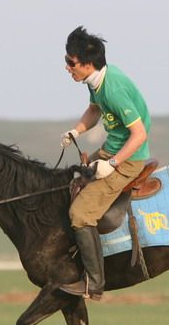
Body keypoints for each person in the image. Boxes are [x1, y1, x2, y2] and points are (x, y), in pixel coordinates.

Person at [59, 26, 152, 300]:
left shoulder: (112, 89)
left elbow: (140, 134)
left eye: (70, 62)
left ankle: (95, 283)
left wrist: (112, 163)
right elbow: (93, 111)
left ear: (87, 64)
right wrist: (76, 131)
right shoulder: (97, 82)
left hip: (128, 159)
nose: (67, 68)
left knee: (80, 214)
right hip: (110, 150)